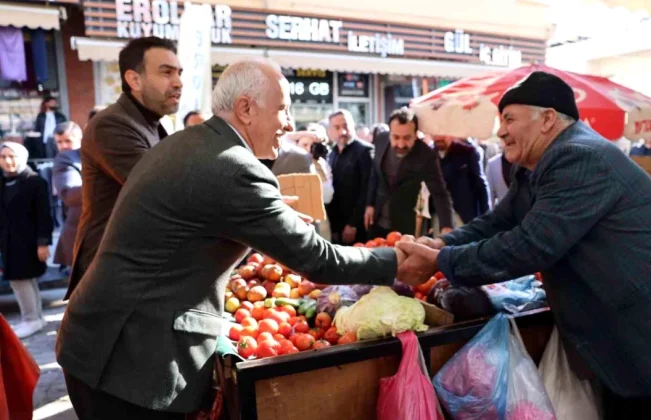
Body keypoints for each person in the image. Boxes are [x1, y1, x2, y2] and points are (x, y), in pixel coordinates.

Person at [56, 58, 403, 420]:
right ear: (246, 109)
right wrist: (398, 261)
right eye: (283, 110)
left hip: (102, 345)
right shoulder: (234, 166)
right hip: (129, 365)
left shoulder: (192, 143)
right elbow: (318, 260)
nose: (288, 123)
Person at [395, 71, 651, 420]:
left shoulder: (578, 157)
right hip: (636, 339)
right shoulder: (535, 165)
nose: (500, 131)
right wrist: (440, 243)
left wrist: (441, 261)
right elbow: (499, 221)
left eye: (509, 119)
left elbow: (530, 245)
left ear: (547, 119)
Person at [65, 36, 181, 300]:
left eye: (179, 73)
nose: (178, 82)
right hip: (111, 274)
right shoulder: (111, 125)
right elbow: (162, 190)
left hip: (138, 267)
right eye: (166, 73)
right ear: (134, 80)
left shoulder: (153, 123)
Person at [365, 107, 454, 237]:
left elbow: (439, 193)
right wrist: (370, 204)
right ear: (389, 133)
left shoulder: (426, 156)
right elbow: (375, 174)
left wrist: (447, 226)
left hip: (406, 226)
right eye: (396, 137)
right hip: (377, 220)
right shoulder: (381, 140)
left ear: (416, 135)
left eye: (407, 138)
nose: (401, 144)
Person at [0, 142, 53, 338]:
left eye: (11, 156)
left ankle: (30, 319)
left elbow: (44, 215)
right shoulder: (3, 181)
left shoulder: (35, 182)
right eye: (3, 157)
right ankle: (36, 317)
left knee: (22, 279)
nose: (7, 161)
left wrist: (43, 242)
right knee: (21, 279)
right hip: (8, 240)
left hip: (28, 240)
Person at [326, 109, 373, 244]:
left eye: (346, 126)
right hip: (336, 225)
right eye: (337, 127)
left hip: (357, 225)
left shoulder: (365, 151)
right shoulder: (332, 153)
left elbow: (367, 190)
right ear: (330, 130)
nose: (343, 132)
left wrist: (353, 224)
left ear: (353, 126)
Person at [433, 135, 490, 224]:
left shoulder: (468, 152)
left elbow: (481, 185)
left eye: (442, 133)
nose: (438, 137)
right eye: (436, 133)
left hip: (465, 216)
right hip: (438, 216)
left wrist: (486, 217)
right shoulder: (429, 155)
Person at [52, 122, 83, 271]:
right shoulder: (64, 160)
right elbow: (70, 194)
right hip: (79, 235)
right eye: (59, 142)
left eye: (68, 141)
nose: (63, 146)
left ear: (80, 138)